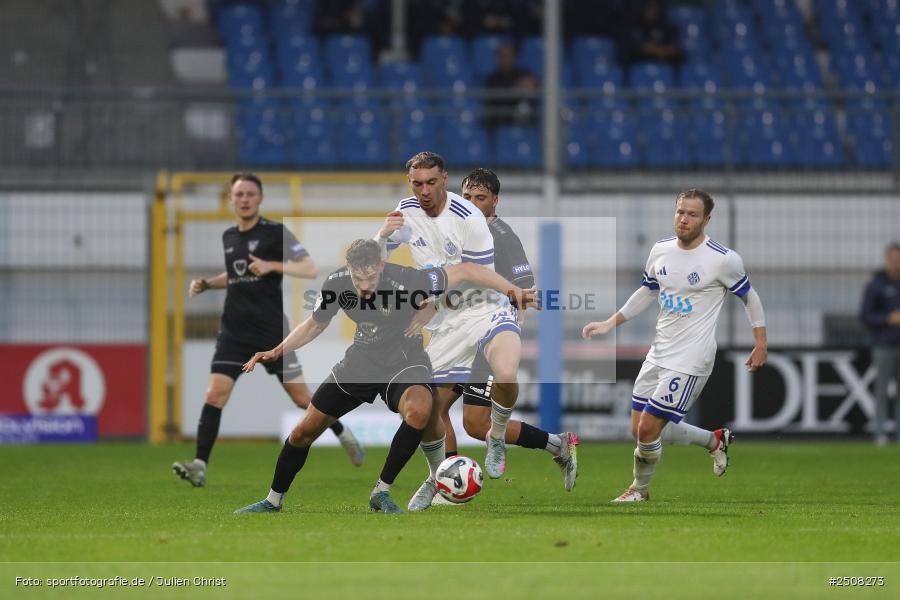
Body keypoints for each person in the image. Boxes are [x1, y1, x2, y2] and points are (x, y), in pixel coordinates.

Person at [233, 239, 535, 514]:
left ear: (380, 265)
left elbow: (467, 270)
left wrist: (514, 291)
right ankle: (273, 501)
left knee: (419, 411)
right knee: (302, 433)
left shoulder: (408, 278)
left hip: (404, 360)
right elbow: (314, 325)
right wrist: (276, 351)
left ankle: (382, 491)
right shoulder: (337, 283)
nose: (364, 285)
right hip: (360, 362)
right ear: (348, 268)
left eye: (370, 277)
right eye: (357, 277)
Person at [172, 173, 364, 488]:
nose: (245, 199)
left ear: (259, 198)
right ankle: (200, 464)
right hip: (233, 332)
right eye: (239, 194)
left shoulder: (275, 233)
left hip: (271, 332)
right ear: (231, 199)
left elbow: (309, 268)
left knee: (303, 399)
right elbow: (236, 275)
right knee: (214, 394)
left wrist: (274, 266)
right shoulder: (229, 237)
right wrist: (208, 283)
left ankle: (342, 433)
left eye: (250, 194)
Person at [375, 152, 541, 512]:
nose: (424, 190)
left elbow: (473, 274)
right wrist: (382, 237)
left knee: (507, 372)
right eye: (417, 183)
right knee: (427, 408)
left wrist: (513, 292)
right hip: (448, 323)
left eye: (431, 182)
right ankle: (439, 480)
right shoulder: (405, 211)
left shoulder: (471, 220)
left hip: (486, 309)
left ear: (444, 179)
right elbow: (373, 262)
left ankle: (496, 435)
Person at [582, 189, 768, 502]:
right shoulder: (660, 250)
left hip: (691, 358)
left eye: (692, 214)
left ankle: (639, 491)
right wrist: (610, 322)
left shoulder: (723, 259)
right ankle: (713, 440)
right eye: (680, 211)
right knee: (640, 429)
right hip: (659, 352)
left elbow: (750, 296)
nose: (684, 219)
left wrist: (760, 342)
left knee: (647, 430)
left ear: (706, 219)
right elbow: (647, 291)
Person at [437, 168, 578, 500]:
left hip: (487, 338)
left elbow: (525, 290)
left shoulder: (502, 237)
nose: (472, 204)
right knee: (433, 409)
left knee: (475, 425)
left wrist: (508, 332)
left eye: (480, 198)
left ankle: (556, 445)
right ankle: (445, 485)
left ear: (495, 202)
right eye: (467, 197)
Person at [860, 242, 900, 445]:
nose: (896, 263)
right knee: (882, 390)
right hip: (883, 345)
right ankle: (880, 432)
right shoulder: (876, 284)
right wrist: (888, 319)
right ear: (887, 259)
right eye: (893, 258)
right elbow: (866, 316)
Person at [483, 43, 539, 131]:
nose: (505, 59)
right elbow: (496, 100)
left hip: (523, 116)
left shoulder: (523, 74)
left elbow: (536, 87)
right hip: (501, 120)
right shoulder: (492, 79)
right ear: (497, 58)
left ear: (514, 57)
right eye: (502, 56)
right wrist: (516, 88)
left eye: (508, 56)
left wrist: (530, 85)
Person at [617, 0, 684, 67]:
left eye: (655, 8)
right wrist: (652, 49)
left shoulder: (668, 27)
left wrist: (658, 50)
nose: (652, 11)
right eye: (650, 8)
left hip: (664, 63)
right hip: (640, 63)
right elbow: (637, 47)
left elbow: (674, 48)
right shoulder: (636, 27)